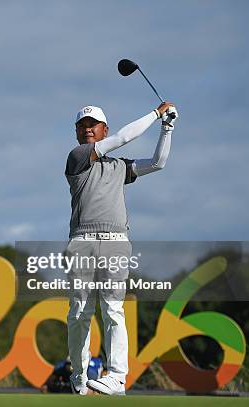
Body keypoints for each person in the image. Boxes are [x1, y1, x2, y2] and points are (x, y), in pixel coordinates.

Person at [65, 102, 177, 395]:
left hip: (116, 242)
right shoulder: (77, 158)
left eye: (94, 124)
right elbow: (124, 138)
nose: (88, 128)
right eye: (82, 125)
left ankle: (116, 377)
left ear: (104, 129)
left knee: (113, 309)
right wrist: (155, 113)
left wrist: (167, 128)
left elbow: (157, 163)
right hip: (82, 241)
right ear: (77, 132)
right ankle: (79, 377)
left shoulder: (119, 167)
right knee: (79, 311)